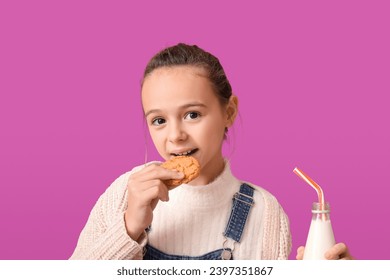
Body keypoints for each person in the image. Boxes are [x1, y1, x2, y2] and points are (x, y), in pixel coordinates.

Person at [70, 43, 353, 260]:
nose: (175, 135)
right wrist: (129, 228)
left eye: (192, 114)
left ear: (228, 112)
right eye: (159, 120)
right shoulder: (125, 193)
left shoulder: (265, 213)